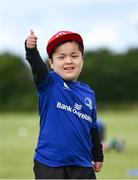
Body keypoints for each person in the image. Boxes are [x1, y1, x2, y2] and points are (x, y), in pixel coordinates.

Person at [25, 30, 104, 179]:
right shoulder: (48, 83)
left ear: (82, 60)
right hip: (50, 164)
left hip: (83, 164)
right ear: (52, 63)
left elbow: (92, 127)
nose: (69, 61)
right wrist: (31, 51)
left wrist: (98, 155)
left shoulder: (88, 93)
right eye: (61, 57)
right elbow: (37, 67)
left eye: (74, 56)